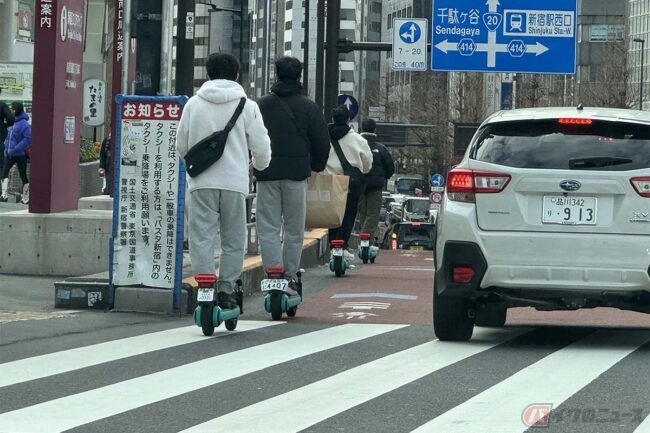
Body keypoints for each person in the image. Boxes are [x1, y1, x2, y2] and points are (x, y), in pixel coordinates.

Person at [175, 53, 271, 309]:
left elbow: (181, 145)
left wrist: (196, 166)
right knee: (234, 240)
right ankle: (227, 290)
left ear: (208, 74)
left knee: (201, 237)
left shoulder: (193, 104)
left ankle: (206, 284)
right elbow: (261, 147)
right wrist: (259, 166)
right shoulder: (248, 106)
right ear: (237, 75)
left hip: (201, 182)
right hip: (234, 183)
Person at [255, 56, 330, 292]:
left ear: (276, 75)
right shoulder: (309, 107)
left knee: (268, 226)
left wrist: (256, 162)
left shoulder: (261, 105)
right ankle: (289, 276)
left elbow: (252, 137)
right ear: (299, 76)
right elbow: (322, 142)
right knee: (294, 228)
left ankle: (272, 272)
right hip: (297, 174)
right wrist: (316, 166)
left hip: (267, 173)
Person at [324, 105, 373, 260]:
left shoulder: (324, 137)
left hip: (330, 182)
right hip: (350, 183)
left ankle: (332, 245)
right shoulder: (358, 140)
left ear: (332, 119)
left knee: (332, 215)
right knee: (348, 214)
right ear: (348, 120)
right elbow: (367, 165)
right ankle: (342, 245)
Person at [357, 118, 395, 244]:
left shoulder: (355, 145)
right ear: (375, 130)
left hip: (359, 184)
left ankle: (365, 239)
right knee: (372, 214)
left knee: (363, 213)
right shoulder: (381, 148)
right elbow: (390, 168)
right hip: (376, 186)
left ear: (362, 129)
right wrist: (383, 177)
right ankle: (366, 239)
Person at [1, 102, 30, 204]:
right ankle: (4, 195)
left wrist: (16, 148)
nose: (11, 111)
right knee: (4, 172)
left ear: (18, 110)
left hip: (20, 154)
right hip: (10, 153)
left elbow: (27, 139)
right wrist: (6, 146)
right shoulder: (12, 122)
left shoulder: (24, 124)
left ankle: (26, 197)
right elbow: (8, 137)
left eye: (13, 109)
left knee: (23, 174)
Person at [0, 87, 15, 198]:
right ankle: (3, 193)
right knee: (1, 164)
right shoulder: (2, 105)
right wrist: (5, 126)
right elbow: (11, 118)